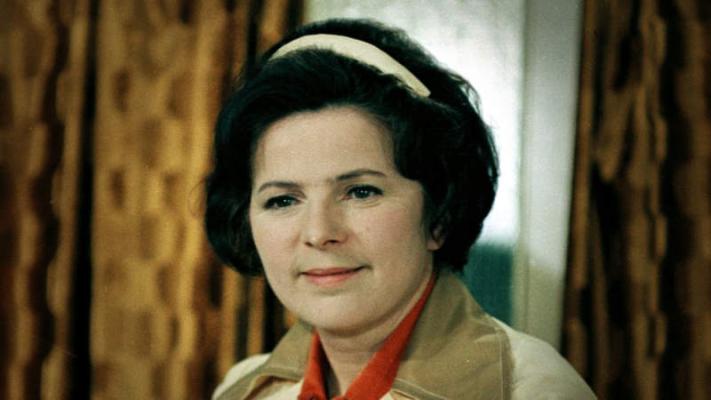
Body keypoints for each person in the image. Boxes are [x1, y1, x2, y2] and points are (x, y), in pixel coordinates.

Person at [205, 18, 595, 400]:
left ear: (439, 216)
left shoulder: (534, 390)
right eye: (283, 200)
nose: (319, 233)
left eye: (360, 192)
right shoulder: (241, 389)